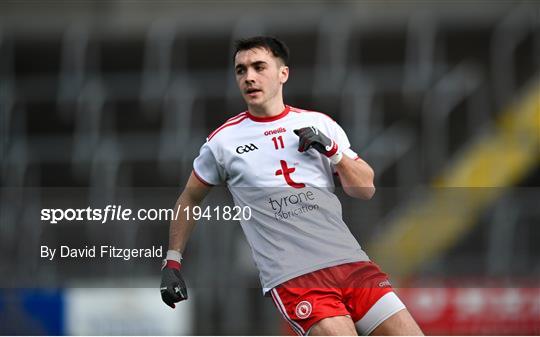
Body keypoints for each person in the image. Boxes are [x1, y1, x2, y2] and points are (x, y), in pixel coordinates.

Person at [160, 36, 423, 336]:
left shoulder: (319, 124)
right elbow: (190, 199)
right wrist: (172, 262)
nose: (249, 77)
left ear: (283, 74)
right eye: (241, 70)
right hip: (297, 278)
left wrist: (333, 151)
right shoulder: (223, 142)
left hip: (352, 264)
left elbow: (365, 189)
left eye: (259, 67)